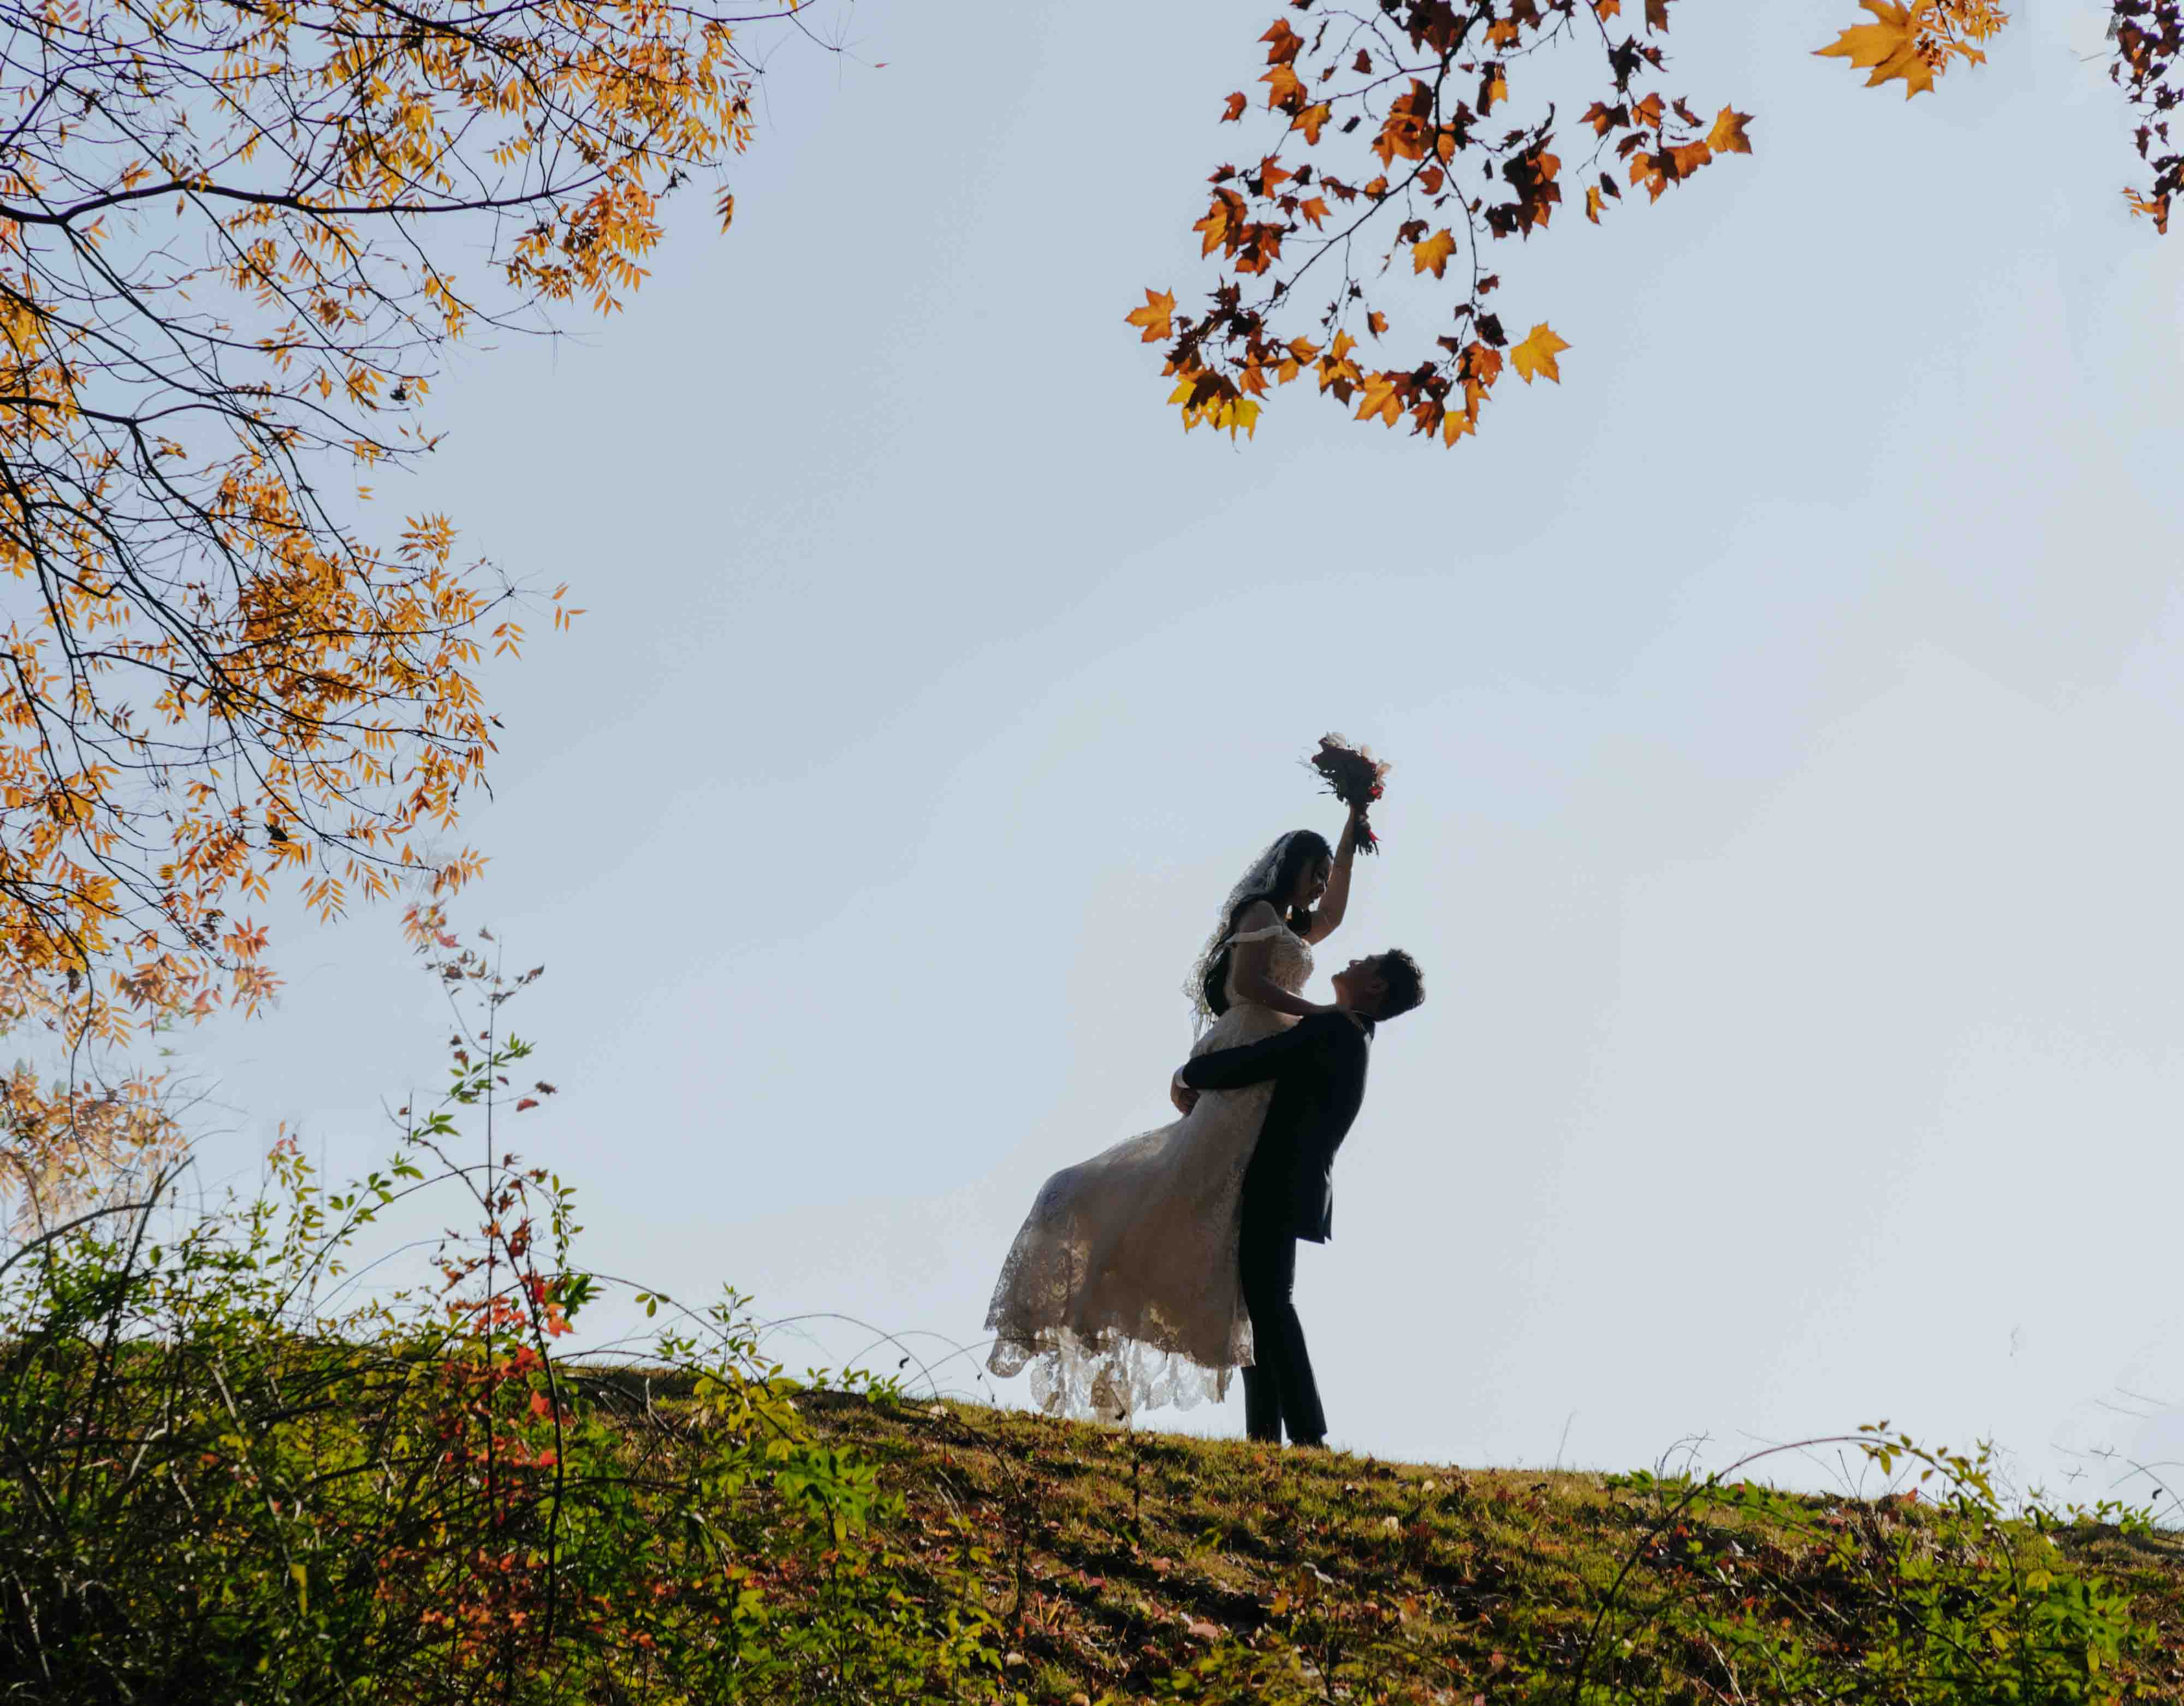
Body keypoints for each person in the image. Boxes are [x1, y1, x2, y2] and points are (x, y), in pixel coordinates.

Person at [983, 809, 1369, 1418]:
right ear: (1292, 866)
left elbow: (1337, 913)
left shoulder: (1295, 927)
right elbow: (1250, 985)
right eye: (1316, 872)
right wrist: (1317, 1011)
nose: (1321, 885)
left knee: (1234, 1235)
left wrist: (1353, 824)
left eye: (1326, 875)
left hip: (1269, 1071)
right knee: (1185, 1180)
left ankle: (1266, 1420)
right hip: (1247, 1051)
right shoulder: (1259, 915)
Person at [1172, 948, 1425, 1447]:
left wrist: (1190, 1073)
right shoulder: (1351, 1034)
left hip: (1282, 1178)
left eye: (1367, 960)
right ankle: (1265, 1438)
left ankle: (1307, 1434)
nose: (1354, 960)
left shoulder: (1336, 1029)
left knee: (1270, 1306)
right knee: (1261, 1306)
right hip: (1293, 1182)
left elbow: (1259, 1061)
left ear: (1376, 985)